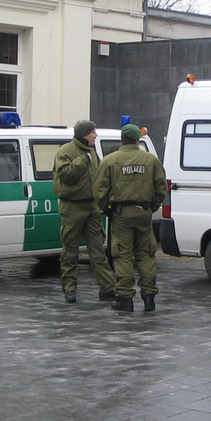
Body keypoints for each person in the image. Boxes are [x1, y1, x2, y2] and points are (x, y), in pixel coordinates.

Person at [94, 124, 167, 313]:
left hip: (121, 214)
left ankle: (125, 298)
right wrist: (151, 207)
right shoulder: (151, 160)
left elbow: (100, 191)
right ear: (137, 140)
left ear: (122, 140)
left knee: (123, 255)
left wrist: (108, 210)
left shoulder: (110, 160)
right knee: (146, 254)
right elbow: (161, 188)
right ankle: (149, 297)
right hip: (144, 213)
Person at [53, 120, 117, 304]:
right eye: (93, 132)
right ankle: (70, 288)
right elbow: (65, 175)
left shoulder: (93, 152)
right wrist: (82, 160)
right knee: (70, 251)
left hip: (92, 206)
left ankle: (107, 288)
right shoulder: (65, 151)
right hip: (72, 206)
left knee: (98, 251)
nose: (96, 135)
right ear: (84, 134)